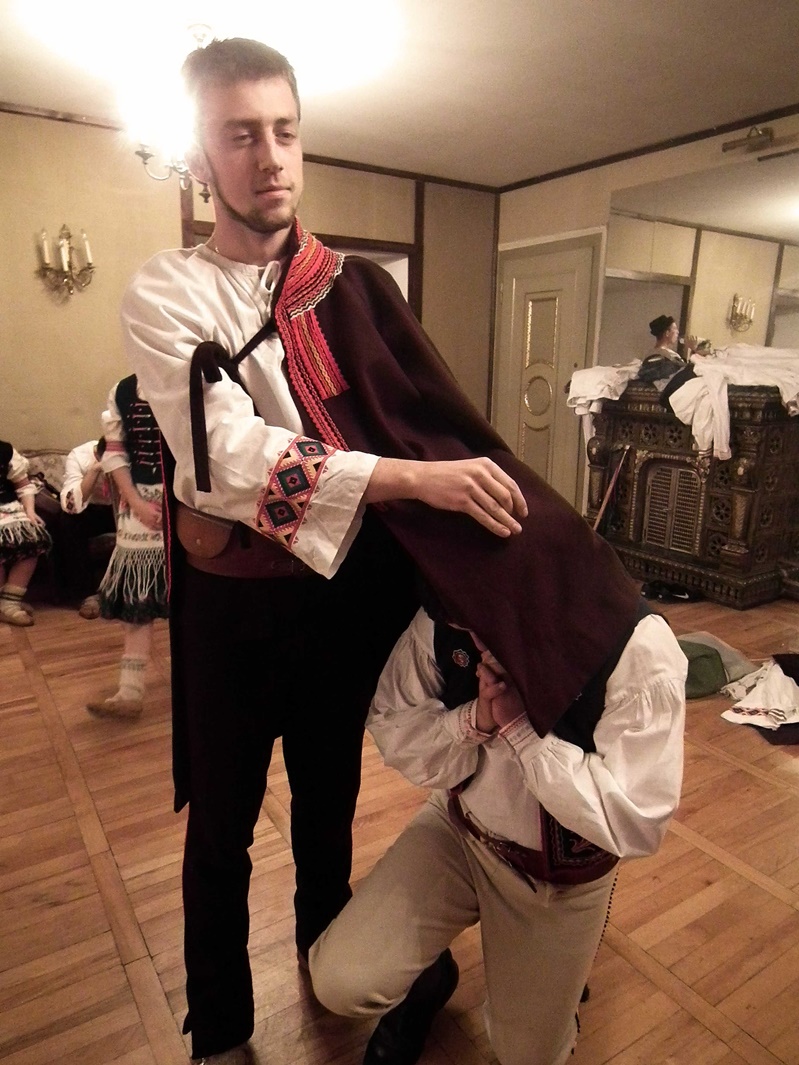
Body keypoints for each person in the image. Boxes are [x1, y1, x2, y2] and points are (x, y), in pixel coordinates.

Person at [121, 38, 641, 1065]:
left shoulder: (352, 287)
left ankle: (334, 969)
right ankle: (219, 1030)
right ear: (199, 155)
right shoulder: (165, 291)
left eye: (284, 131)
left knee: (329, 803)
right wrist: (406, 480)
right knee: (220, 825)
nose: (270, 157)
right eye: (239, 135)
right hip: (230, 606)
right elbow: (225, 459)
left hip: (343, 595)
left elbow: (429, 425)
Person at [310, 593, 687, 1065]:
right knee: (341, 980)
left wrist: (524, 734)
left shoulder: (636, 642)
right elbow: (393, 724)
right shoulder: (443, 614)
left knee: (527, 1055)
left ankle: (556, 1002)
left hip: (556, 879)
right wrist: (476, 718)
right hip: (459, 831)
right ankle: (428, 979)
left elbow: (636, 820)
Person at [86, 375, 168, 719]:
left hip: (192, 505)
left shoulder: (197, 377)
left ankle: (208, 687)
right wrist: (136, 502)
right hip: (140, 507)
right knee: (138, 597)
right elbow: (115, 452)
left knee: (198, 600)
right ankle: (130, 692)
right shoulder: (123, 390)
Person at [59, 436, 117, 618]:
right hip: (93, 509)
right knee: (67, 521)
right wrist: (95, 470)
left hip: (124, 506)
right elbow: (71, 506)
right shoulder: (79, 456)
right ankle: (85, 594)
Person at [0, 439, 52, 625]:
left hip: (7, 507)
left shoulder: (4, 450)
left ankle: (9, 600)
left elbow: (23, 485)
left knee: (33, 538)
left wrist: (30, 512)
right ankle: (5, 603)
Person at [638, 314, 698, 390]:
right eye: (675, 329)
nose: (677, 332)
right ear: (667, 333)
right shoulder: (660, 354)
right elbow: (683, 372)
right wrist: (693, 349)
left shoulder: (665, 353)